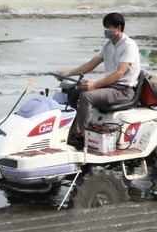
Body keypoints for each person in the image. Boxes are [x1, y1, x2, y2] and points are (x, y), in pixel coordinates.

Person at [58, 12, 141, 146]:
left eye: (108, 27)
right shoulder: (108, 45)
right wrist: (68, 73)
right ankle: (71, 127)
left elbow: (119, 73)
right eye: (105, 27)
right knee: (74, 90)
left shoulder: (129, 46)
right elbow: (91, 64)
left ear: (118, 28)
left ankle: (79, 135)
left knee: (86, 96)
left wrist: (95, 85)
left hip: (123, 90)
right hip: (110, 87)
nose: (106, 31)